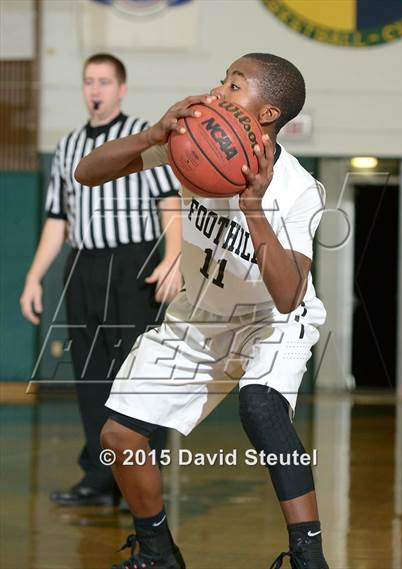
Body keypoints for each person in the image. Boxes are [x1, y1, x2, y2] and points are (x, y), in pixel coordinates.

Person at [76, 53, 329, 568]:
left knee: (260, 406)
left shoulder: (299, 190)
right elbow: (87, 172)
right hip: (199, 318)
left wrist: (252, 209)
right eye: (222, 79)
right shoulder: (194, 144)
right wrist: (153, 135)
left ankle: (309, 557)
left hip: (271, 322)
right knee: (119, 436)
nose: (218, 91)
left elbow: (287, 295)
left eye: (235, 85)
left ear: (267, 115)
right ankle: (157, 550)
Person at [20, 53, 182, 507]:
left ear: (121, 88)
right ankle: (99, 476)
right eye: (89, 81)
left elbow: (169, 201)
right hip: (83, 264)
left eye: (105, 81)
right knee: (90, 376)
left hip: (134, 263)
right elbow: (57, 218)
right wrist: (34, 278)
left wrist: (173, 258)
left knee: (136, 377)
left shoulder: (143, 137)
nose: (95, 89)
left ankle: (143, 477)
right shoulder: (69, 145)